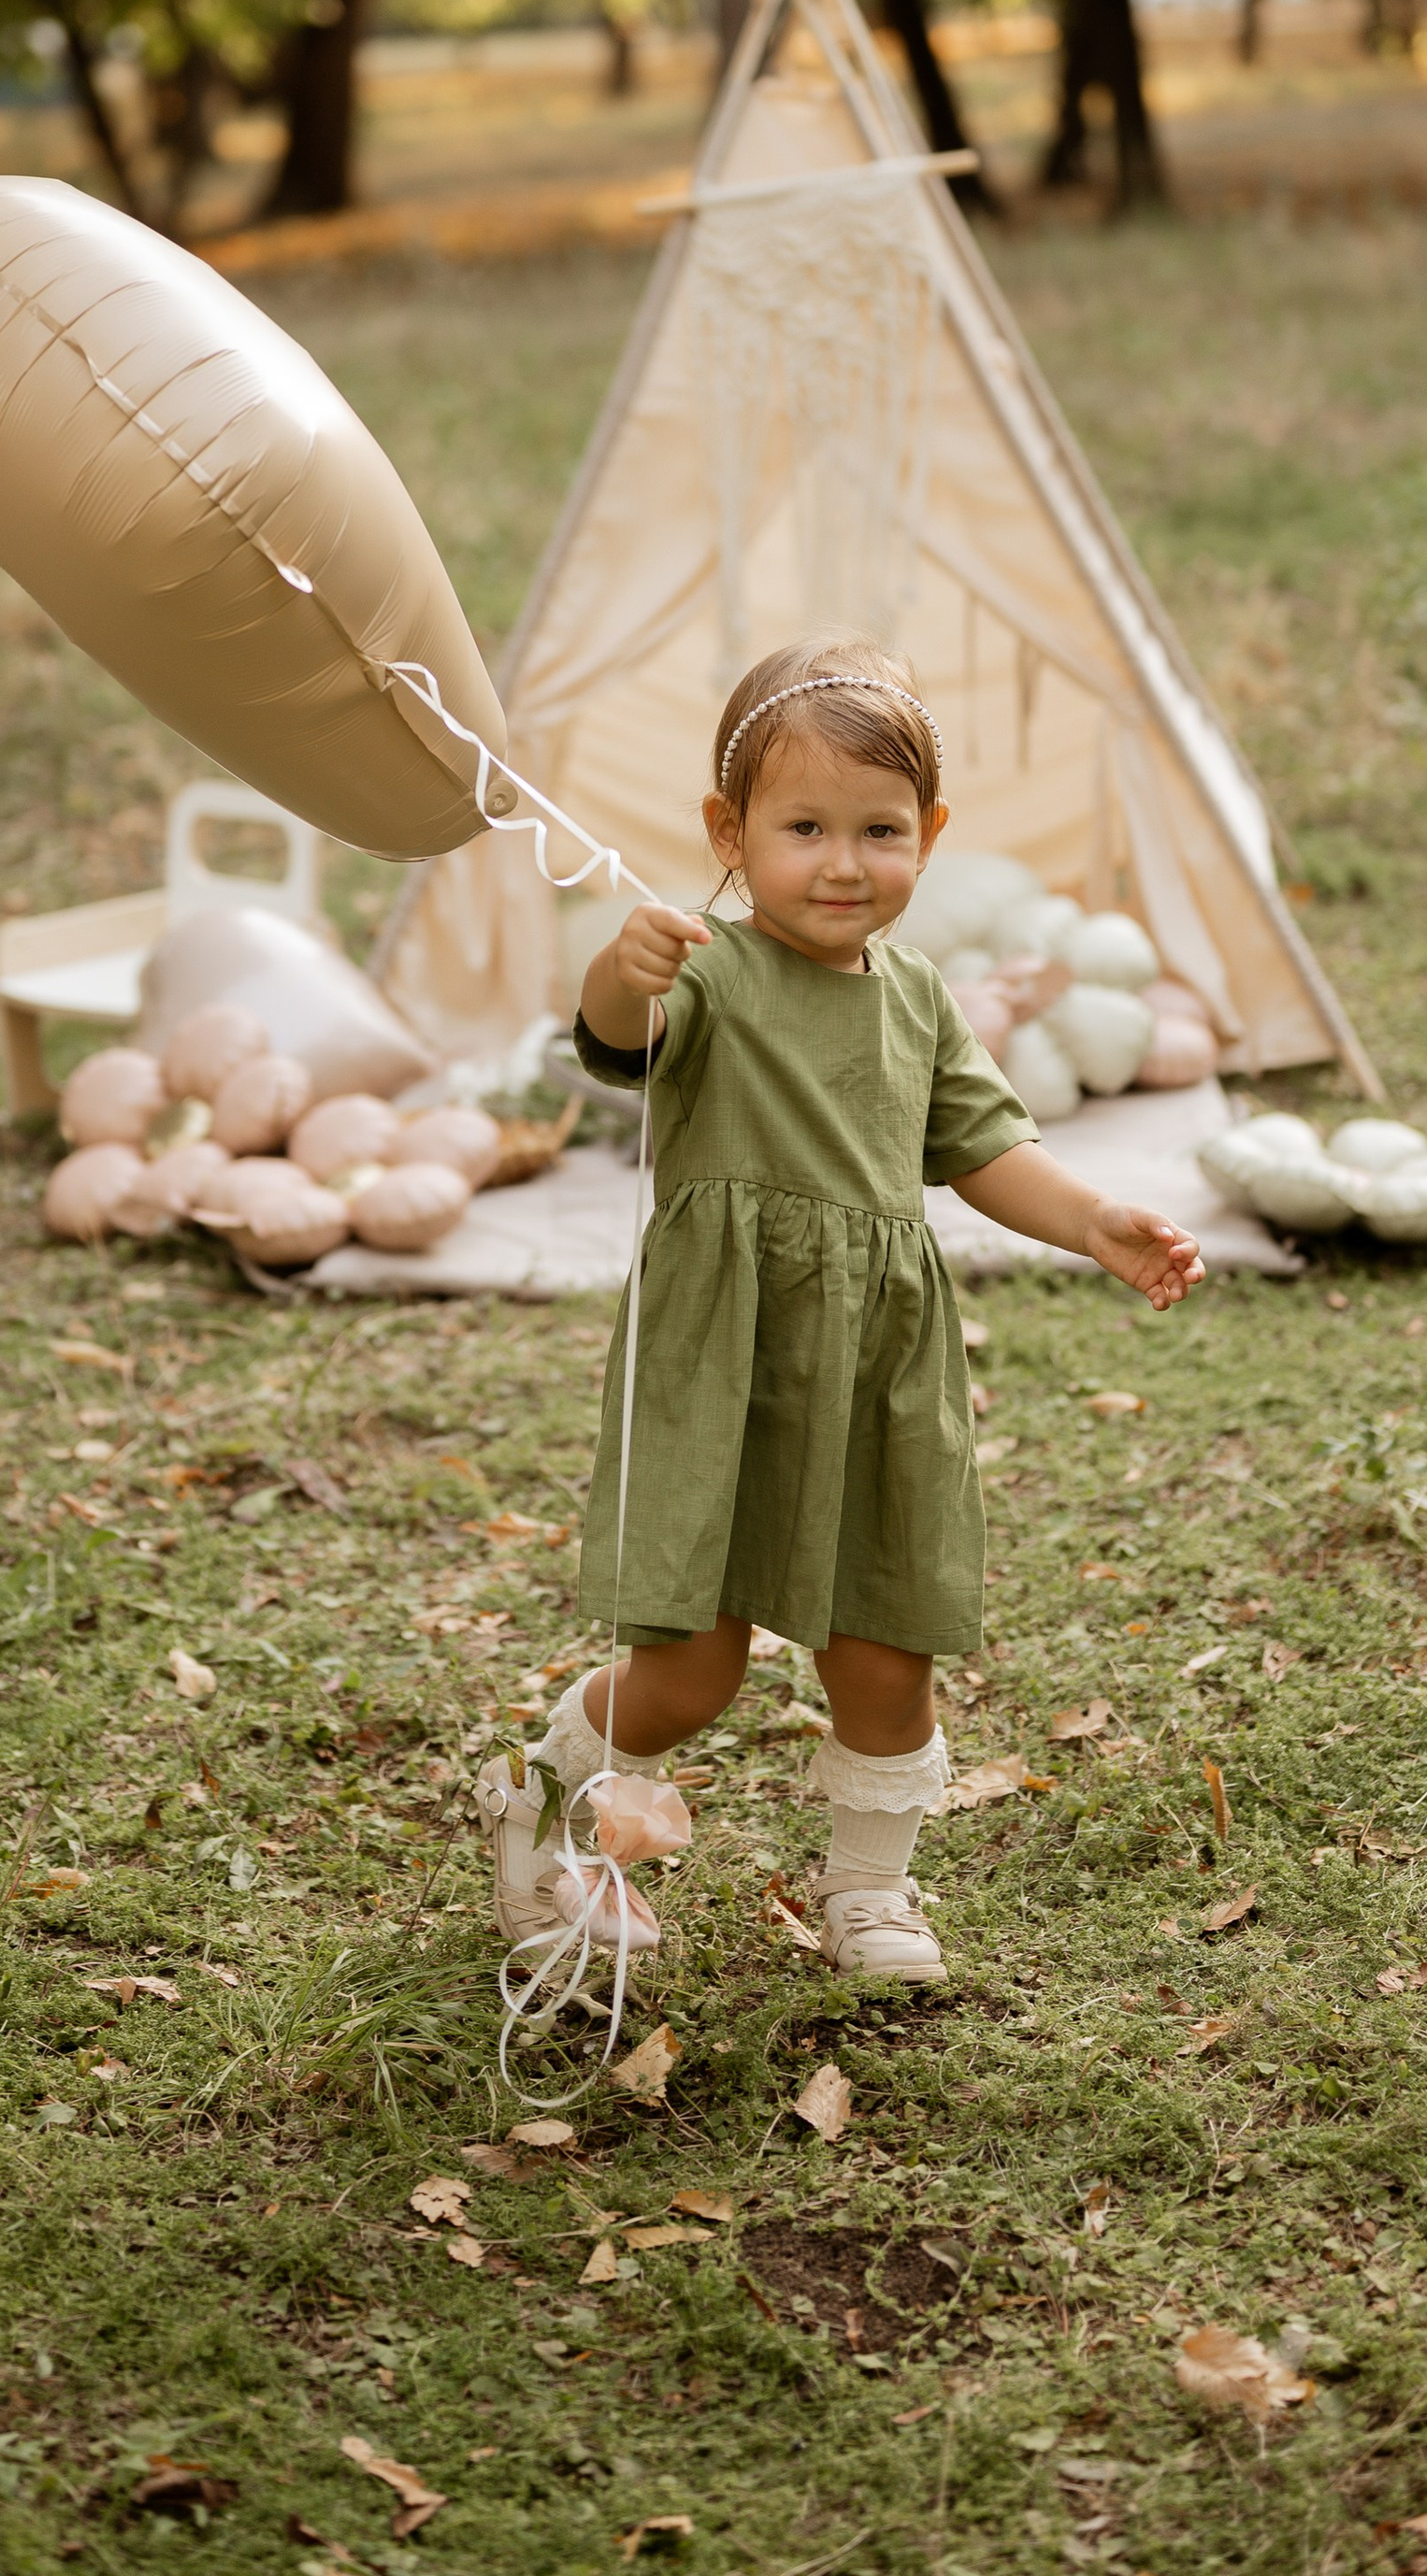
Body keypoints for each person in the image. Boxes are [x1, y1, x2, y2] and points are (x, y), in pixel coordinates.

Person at [477, 634, 1204, 1985]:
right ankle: (539, 1791)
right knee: (692, 1671)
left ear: (930, 836)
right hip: (725, 1359)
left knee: (886, 1652)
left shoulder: (920, 999)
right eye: (803, 827)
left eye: (880, 830)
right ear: (730, 833)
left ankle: (870, 1891)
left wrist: (1094, 1219)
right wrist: (625, 970)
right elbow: (620, 1036)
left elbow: (986, 1146)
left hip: (877, 1365)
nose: (843, 862)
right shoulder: (708, 972)